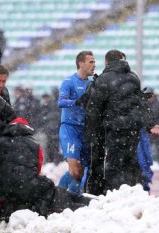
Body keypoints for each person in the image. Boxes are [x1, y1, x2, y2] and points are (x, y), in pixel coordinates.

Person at [85, 49, 159, 194]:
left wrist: (91, 130)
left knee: (114, 165)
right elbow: (141, 103)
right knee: (131, 162)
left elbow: (94, 109)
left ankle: (115, 194)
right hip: (132, 128)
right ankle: (134, 190)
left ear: (107, 62)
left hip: (114, 129)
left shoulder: (103, 79)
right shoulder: (133, 77)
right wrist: (150, 123)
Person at [0, 118, 91, 223]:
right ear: (27, 129)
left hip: (2, 188)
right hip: (28, 185)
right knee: (54, 193)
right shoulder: (35, 145)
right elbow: (38, 168)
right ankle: (88, 204)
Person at [57, 51, 95, 195]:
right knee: (75, 169)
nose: (94, 65)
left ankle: (72, 199)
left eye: (94, 62)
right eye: (91, 62)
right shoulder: (69, 81)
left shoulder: (92, 84)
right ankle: (56, 196)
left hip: (85, 131)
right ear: (81, 63)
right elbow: (61, 102)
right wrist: (77, 102)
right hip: (70, 129)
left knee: (81, 171)